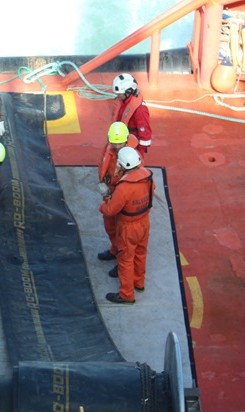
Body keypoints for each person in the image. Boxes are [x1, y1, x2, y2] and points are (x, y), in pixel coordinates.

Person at [99, 147, 155, 304]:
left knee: (125, 259)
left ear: (122, 165)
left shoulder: (123, 187)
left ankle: (126, 295)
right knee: (140, 253)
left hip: (128, 227)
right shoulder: (148, 177)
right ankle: (139, 283)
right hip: (144, 222)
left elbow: (111, 210)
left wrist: (104, 202)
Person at [96, 121, 139, 262]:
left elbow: (133, 183)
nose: (117, 146)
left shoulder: (133, 157)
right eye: (114, 143)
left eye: (120, 144)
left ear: (126, 141)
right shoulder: (109, 149)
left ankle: (121, 259)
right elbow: (102, 164)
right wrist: (103, 183)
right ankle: (114, 250)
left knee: (123, 232)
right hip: (109, 192)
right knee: (110, 225)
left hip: (122, 196)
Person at [111, 73, 152, 158]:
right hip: (120, 140)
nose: (118, 96)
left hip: (132, 144)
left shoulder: (140, 110)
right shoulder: (122, 102)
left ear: (128, 92)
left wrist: (139, 154)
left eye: (120, 94)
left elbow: (145, 135)